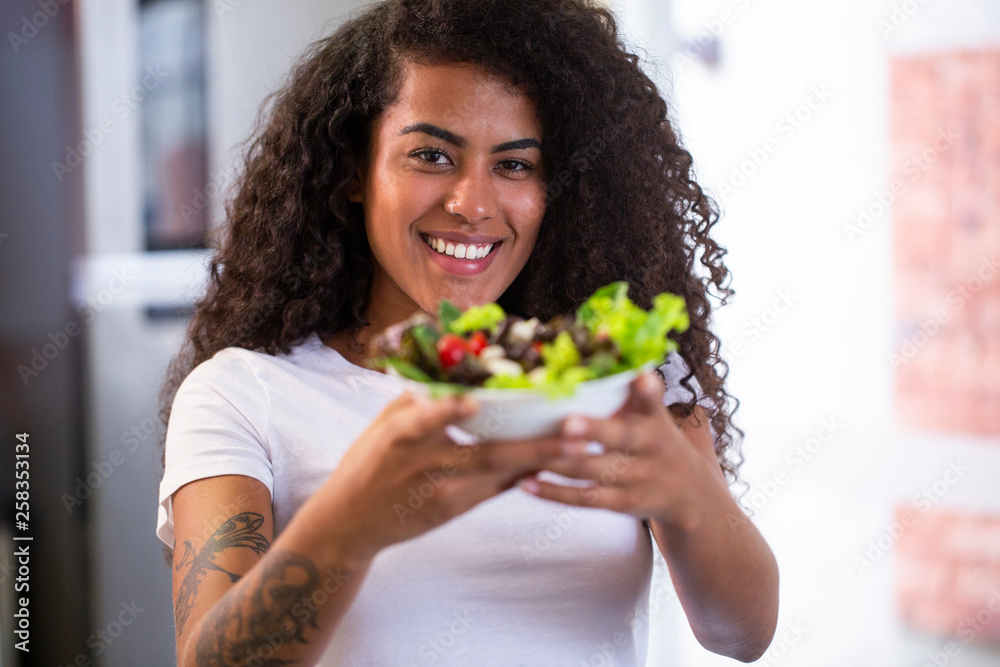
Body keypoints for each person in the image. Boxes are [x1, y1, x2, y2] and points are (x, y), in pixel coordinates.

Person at [155, 0, 779, 664]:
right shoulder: (243, 393)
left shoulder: (617, 378)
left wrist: (689, 497)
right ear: (352, 171)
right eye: (431, 154)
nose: (473, 205)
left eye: (514, 165)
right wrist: (349, 525)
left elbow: (743, 634)